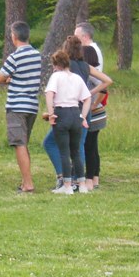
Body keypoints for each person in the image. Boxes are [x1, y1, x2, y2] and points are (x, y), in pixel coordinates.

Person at [42, 35, 111, 190]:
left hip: (67, 109)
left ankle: (64, 178)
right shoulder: (86, 66)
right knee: (78, 145)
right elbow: (107, 80)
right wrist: (90, 92)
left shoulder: (67, 67)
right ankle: (78, 181)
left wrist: (51, 111)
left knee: (51, 143)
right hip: (85, 111)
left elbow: (54, 91)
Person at [0, 21, 42, 193]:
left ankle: (28, 184)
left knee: (19, 144)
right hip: (32, 105)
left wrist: (10, 79)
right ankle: (25, 181)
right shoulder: (37, 55)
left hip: (16, 105)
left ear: (13, 37)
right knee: (25, 143)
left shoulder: (15, 57)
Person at [44, 50, 92, 195]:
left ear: (56, 64)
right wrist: (83, 116)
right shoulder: (77, 78)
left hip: (62, 113)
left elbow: (50, 94)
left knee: (64, 152)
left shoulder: (56, 76)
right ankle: (82, 184)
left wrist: (51, 113)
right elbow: (87, 97)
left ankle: (67, 185)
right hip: (75, 113)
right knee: (76, 151)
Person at [83, 45, 108, 190]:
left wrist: (94, 104)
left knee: (89, 147)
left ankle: (89, 178)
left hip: (94, 114)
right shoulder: (92, 71)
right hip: (98, 114)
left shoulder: (91, 72)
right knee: (93, 147)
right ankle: (95, 177)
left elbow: (104, 89)